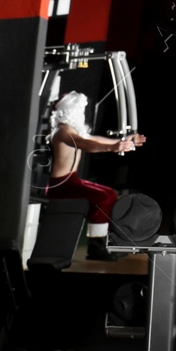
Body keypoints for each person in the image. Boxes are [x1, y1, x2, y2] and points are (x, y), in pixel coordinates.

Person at [46, 90, 146, 260]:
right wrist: (113, 148)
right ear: (70, 112)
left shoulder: (73, 130)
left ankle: (107, 240)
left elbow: (96, 140)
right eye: (79, 110)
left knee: (110, 194)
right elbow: (85, 144)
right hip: (60, 185)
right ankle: (96, 246)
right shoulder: (63, 131)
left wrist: (124, 142)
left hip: (71, 181)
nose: (82, 114)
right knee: (102, 197)